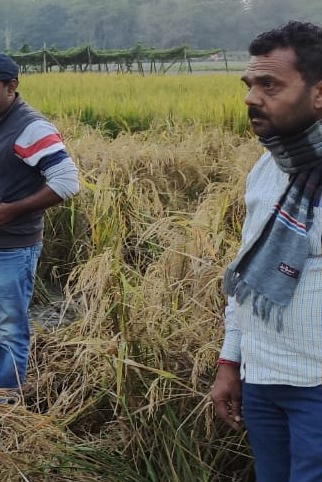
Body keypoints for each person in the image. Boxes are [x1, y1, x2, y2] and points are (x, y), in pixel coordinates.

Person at [210, 21, 322, 481]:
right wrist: (230, 361)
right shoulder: (268, 167)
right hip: (263, 380)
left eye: (269, 85)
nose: (251, 98)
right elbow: (248, 272)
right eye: (249, 84)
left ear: (319, 93)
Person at [0, 52, 80, 392]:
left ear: (11, 86)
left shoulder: (30, 127)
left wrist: (13, 210)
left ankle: (7, 399)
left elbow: (67, 181)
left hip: (10, 248)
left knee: (9, 327)